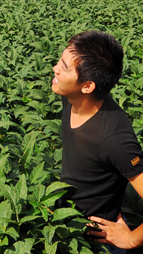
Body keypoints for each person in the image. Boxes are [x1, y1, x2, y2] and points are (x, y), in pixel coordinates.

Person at [51, 30, 143, 253]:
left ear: (87, 86)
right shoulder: (70, 96)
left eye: (64, 67)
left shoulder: (115, 139)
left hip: (94, 239)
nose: (55, 68)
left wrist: (131, 239)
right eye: (60, 60)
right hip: (62, 217)